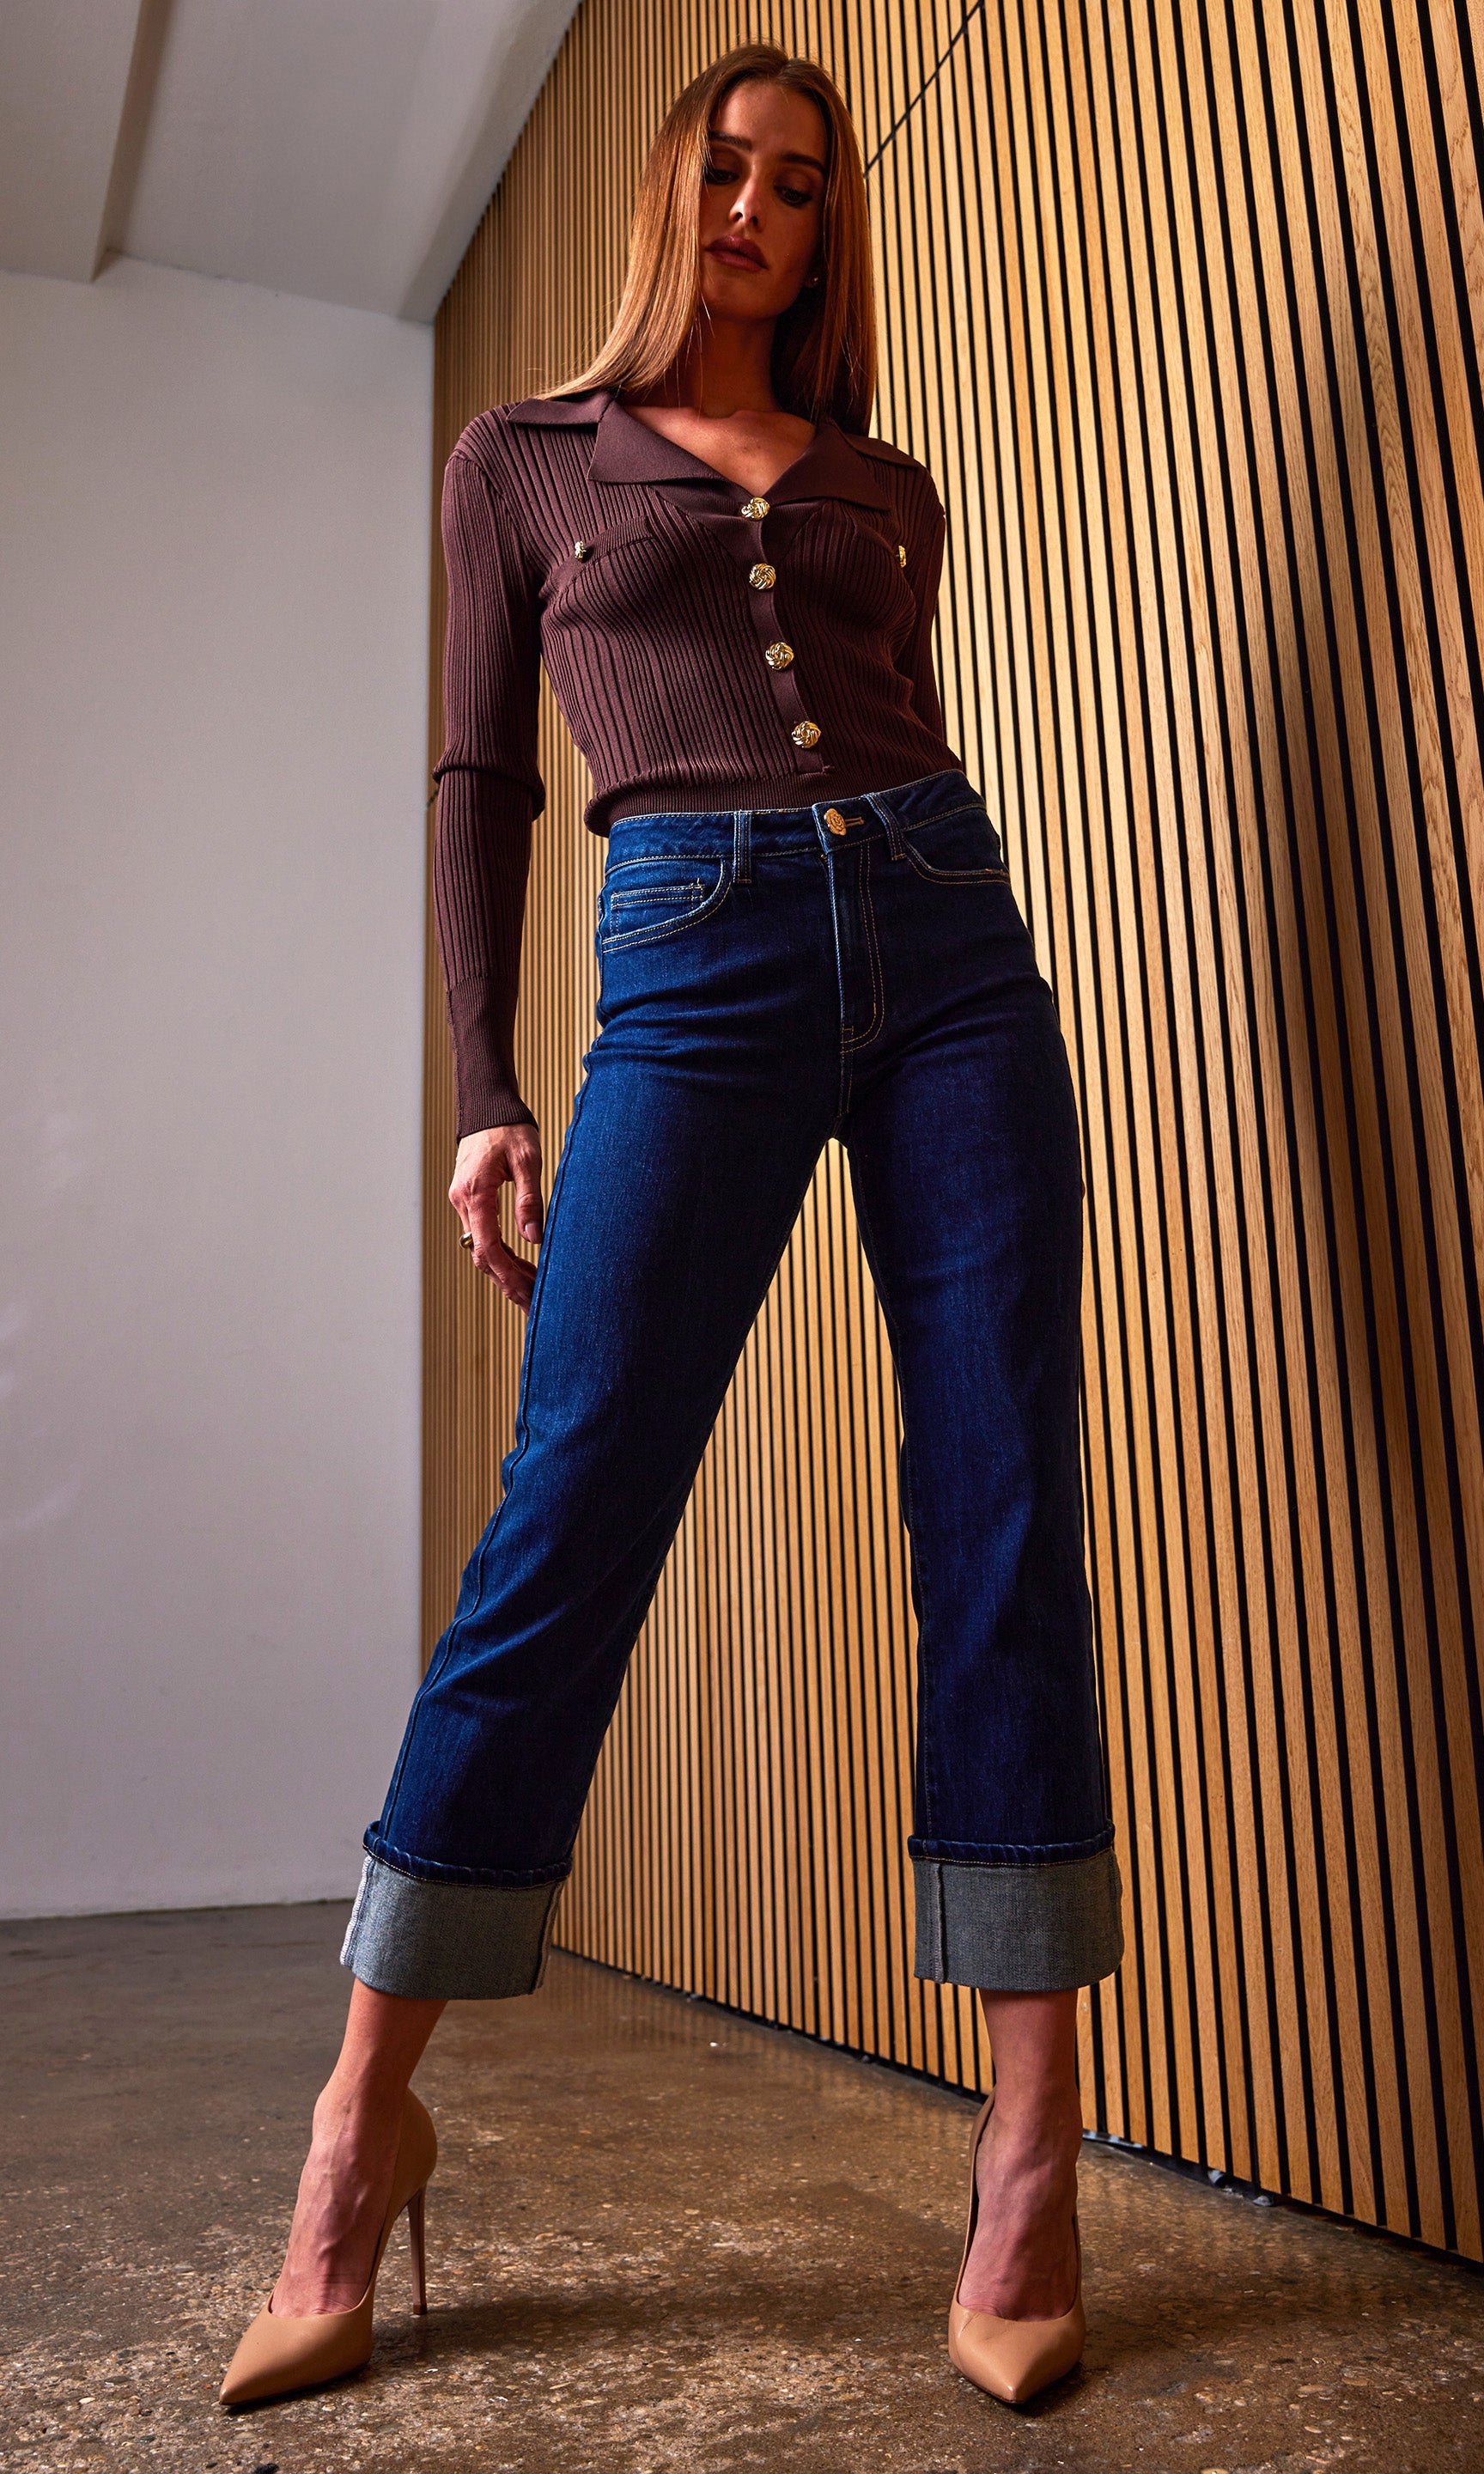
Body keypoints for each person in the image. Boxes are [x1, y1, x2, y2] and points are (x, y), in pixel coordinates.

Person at [221, 41, 1123, 2416]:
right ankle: (358, 2123)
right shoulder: (518, 459)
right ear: (666, 193)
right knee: (574, 1507)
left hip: (948, 950)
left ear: (829, 233)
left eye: (801, 185)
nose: (757, 207)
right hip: (693, 954)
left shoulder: (886, 489)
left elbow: (890, 732)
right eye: (725, 167)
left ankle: (1031, 2147)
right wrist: (486, 1090)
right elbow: (476, 782)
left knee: (1004, 1498)